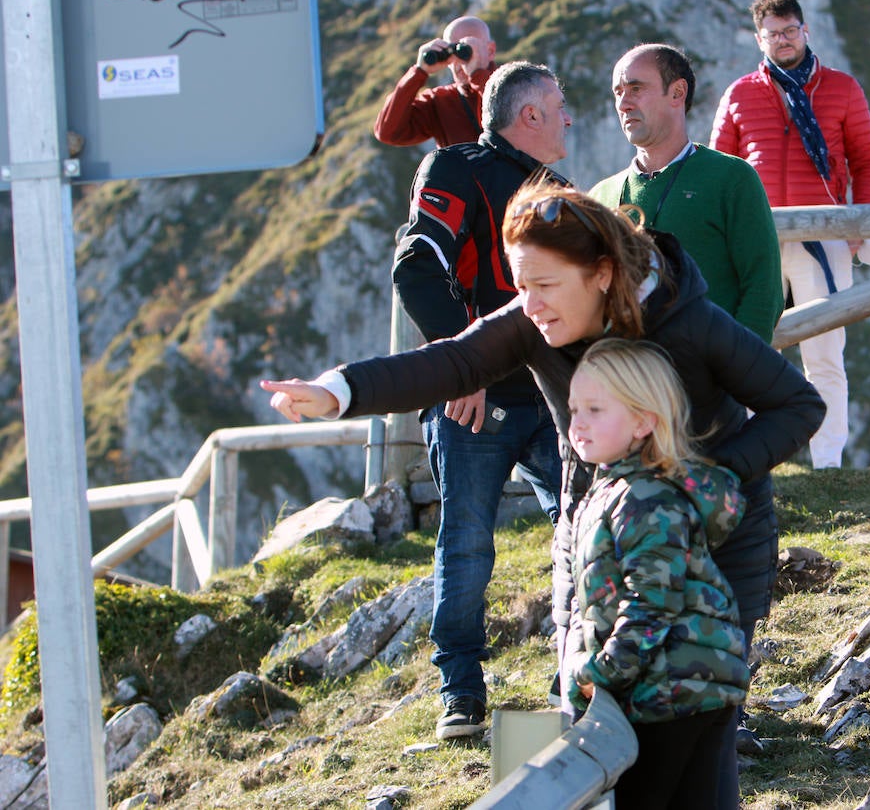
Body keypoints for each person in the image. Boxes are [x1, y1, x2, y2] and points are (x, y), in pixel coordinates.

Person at [260, 183, 824, 801]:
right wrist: (338, 391)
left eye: (544, 286)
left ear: (603, 275)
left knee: (692, 746)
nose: (528, 305)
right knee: (588, 725)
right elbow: (454, 362)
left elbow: (797, 404)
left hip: (716, 553)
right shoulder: (535, 323)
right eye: (519, 286)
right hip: (593, 538)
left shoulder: (690, 322)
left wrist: (698, 485)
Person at [392, 60, 572, 740]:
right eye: (558, 105)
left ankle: (572, 678)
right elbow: (416, 268)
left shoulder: (566, 193)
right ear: (528, 115)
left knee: (582, 531)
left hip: (556, 402)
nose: (569, 117)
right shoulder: (454, 168)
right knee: (466, 547)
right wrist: (458, 371)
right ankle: (461, 695)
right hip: (473, 404)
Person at [560, 338, 750, 808]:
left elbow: (651, 604)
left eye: (595, 409)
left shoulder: (646, 498)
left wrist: (600, 673)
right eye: (574, 408)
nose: (577, 422)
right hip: (696, 685)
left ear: (645, 421)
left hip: (665, 691)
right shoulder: (618, 489)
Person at [710, 0, 870, 468]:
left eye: (790, 31)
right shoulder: (740, 93)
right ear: (758, 38)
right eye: (773, 34)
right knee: (743, 351)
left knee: (825, 353)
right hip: (753, 238)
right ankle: (745, 462)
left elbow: (867, 160)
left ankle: (827, 464)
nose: (783, 40)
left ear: (805, 30)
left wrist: (860, 223)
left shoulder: (843, 88)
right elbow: (719, 169)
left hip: (824, 234)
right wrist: (723, 233)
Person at [590, 44, 783, 341]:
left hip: (709, 378)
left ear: (678, 93)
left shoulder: (731, 178)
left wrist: (737, 372)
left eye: (636, 88)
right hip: (626, 379)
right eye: (618, 92)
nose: (624, 103)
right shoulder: (601, 196)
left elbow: (764, 291)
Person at [373, 15, 499, 148]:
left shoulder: (518, 85)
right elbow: (388, 133)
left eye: (465, 50)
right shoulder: (440, 101)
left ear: (490, 50)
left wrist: (478, 75)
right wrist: (419, 72)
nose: (459, 61)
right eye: (453, 51)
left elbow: (506, 112)